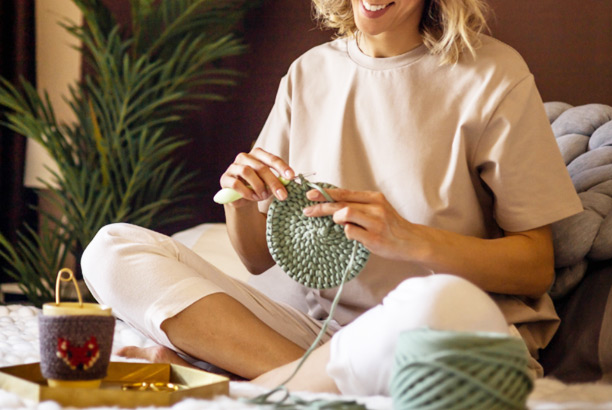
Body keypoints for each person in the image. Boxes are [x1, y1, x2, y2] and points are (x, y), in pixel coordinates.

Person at [82, 0, 583, 396]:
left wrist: (410, 240)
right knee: (111, 249)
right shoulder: (309, 74)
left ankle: (245, 386)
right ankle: (299, 383)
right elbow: (256, 259)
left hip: (441, 335)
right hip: (319, 339)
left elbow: (537, 265)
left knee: (433, 302)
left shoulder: (494, 74)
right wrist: (239, 198)